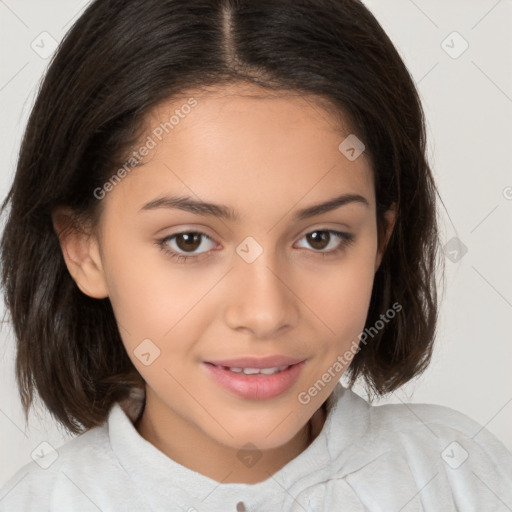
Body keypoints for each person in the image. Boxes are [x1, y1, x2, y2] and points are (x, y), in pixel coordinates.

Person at [0, 0, 511, 510]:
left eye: (320, 238)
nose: (265, 313)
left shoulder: (462, 477)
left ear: (380, 238)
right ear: (84, 249)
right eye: (189, 241)